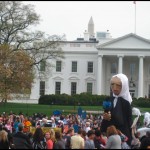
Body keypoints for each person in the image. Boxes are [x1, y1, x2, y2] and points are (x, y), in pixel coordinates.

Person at [100, 73, 133, 146]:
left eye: (118, 85)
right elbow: (105, 114)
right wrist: (106, 117)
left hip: (122, 134)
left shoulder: (126, 103)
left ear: (124, 86)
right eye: (112, 84)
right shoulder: (108, 99)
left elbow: (129, 121)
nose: (114, 88)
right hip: (109, 132)